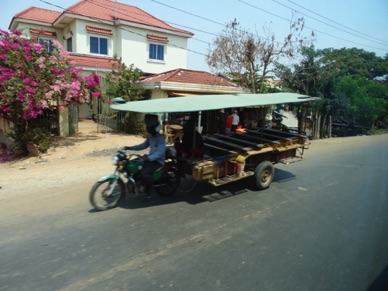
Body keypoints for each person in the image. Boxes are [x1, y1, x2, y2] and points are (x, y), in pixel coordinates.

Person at [124, 114, 166, 197]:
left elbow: (160, 152)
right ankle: (136, 183)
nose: (148, 128)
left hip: (157, 161)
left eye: (150, 127)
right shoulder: (150, 136)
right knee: (133, 164)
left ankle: (149, 189)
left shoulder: (161, 138)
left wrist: (149, 158)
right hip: (149, 159)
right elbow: (143, 145)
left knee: (144, 173)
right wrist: (130, 148)